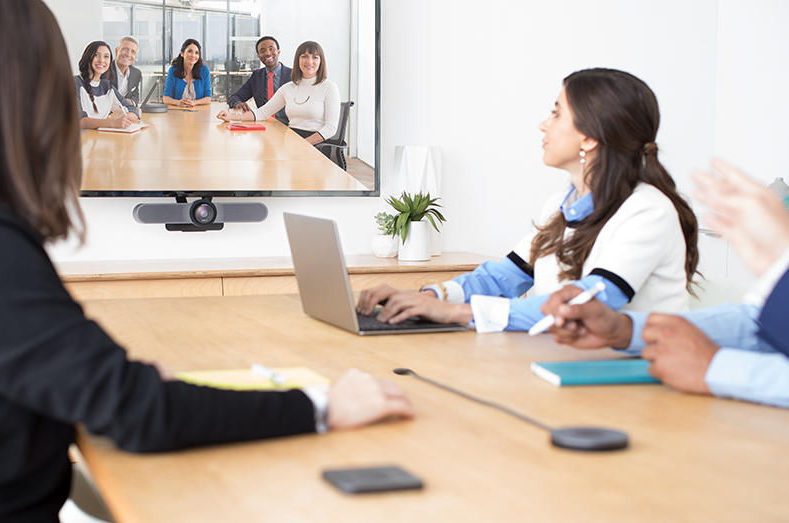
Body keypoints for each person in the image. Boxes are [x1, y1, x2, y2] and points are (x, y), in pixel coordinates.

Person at [0, 1, 414, 520]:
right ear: (26, 91)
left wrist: (115, 377)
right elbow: (137, 412)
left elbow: (56, 369)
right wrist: (319, 406)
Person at [356, 68, 700, 333]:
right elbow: (500, 278)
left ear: (590, 137)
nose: (543, 125)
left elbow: (586, 305)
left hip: (637, 377)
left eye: (556, 114)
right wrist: (428, 297)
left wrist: (458, 313)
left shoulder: (647, 211)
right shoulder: (560, 205)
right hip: (565, 360)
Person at [541, 159, 789, 408]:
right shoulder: (561, 204)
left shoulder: (648, 206)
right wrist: (626, 330)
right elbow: (756, 324)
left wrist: (716, 367)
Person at [216, 41, 340, 146]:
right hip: (291, 140)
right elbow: (262, 113)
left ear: (321, 61)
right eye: (304, 56)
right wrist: (231, 117)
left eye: (315, 57)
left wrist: (303, 144)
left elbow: (330, 128)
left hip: (315, 144)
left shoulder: (329, 87)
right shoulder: (288, 88)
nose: (309, 61)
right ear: (298, 60)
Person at [75, 40, 140, 129]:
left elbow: (132, 109)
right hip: (80, 139)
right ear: (87, 57)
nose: (101, 60)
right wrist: (113, 123)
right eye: (96, 55)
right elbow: (79, 121)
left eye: (106, 57)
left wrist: (126, 118)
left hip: (100, 138)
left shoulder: (107, 87)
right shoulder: (75, 83)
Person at [227, 35, 291, 124]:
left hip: (288, 126)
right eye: (262, 51)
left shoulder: (293, 75)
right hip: (263, 124)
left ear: (278, 52)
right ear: (259, 56)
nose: (268, 53)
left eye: (271, 49)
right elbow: (234, 97)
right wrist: (237, 104)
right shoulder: (257, 76)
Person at [162, 38, 212, 107]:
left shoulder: (204, 71)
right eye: (190, 51)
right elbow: (166, 98)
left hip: (198, 113)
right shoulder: (173, 71)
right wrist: (177, 102)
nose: (193, 55)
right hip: (177, 113)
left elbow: (208, 99)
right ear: (182, 53)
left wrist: (194, 103)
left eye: (196, 53)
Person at [112, 36, 142, 106]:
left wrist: (131, 101)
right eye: (125, 49)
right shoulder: (104, 70)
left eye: (133, 52)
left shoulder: (136, 73)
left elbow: (135, 95)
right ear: (116, 51)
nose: (128, 54)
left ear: (135, 56)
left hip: (124, 113)